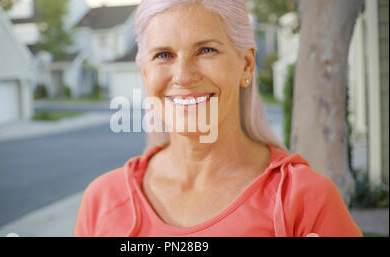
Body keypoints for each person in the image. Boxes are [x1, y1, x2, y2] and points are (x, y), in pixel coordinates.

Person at [73, 0, 362, 237]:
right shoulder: (102, 201)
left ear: (246, 65)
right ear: (145, 73)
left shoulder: (305, 201)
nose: (184, 76)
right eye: (163, 55)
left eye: (206, 50)